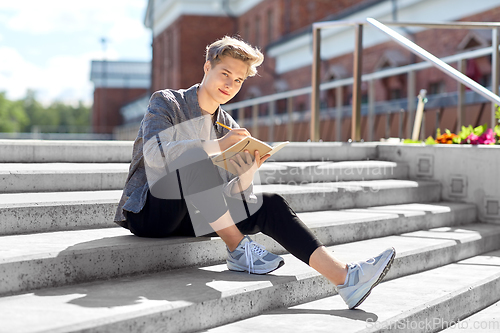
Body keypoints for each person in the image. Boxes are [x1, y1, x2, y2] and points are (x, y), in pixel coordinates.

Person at [114, 36, 395, 309]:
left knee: (269, 202)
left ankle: (346, 277)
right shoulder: (167, 101)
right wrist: (217, 145)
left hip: (193, 216)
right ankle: (238, 250)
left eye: (238, 80)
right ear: (207, 67)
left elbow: (232, 197)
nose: (230, 84)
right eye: (225, 73)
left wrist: (247, 172)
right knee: (194, 161)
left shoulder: (227, 123)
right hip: (151, 213)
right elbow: (154, 153)